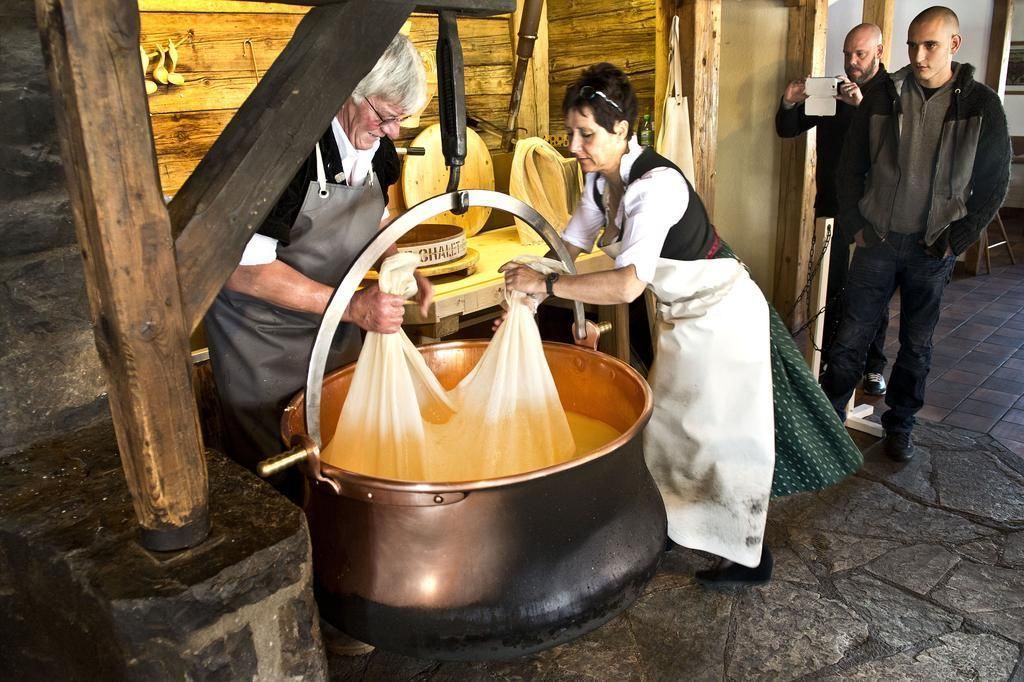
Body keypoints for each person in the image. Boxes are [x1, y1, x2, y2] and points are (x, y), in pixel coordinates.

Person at [501, 63, 863, 587]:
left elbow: (626, 284)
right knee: (669, 429)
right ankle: (676, 525)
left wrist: (549, 287)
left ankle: (749, 557)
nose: (576, 146)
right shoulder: (601, 184)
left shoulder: (656, 187)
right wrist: (530, 279)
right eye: (572, 133)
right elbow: (568, 247)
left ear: (622, 128)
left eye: (587, 134)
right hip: (684, 315)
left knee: (721, 439)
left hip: (723, 316)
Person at [205, 34, 431, 482]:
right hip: (262, 345)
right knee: (280, 469)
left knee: (337, 457)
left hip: (333, 331)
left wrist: (403, 262)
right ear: (350, 89)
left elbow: (377, 217)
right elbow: (244, 274)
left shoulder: (378, 148)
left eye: (400, 119)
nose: (393, 132)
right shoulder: (288, 153)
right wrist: (352, 306)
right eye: (385, 116)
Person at [823, 6, 1011, 461]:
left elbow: (994, 182)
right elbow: (850, 168)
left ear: (954, 44)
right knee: (851, 335)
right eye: (912, 45)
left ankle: (901, 425)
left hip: (932, 246)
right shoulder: (884, 95)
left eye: (930, 45)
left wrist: (954, 241)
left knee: (917, 344)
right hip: (879, 241)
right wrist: (857, 226)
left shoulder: (981, 105)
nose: (919, 55)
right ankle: (827, 422)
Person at [776, 23, 890, 396]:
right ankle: (833, 361)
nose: (852, 62)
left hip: (877, 210)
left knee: (873, 289)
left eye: (860, 54)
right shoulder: (833, 93)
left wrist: (862, 108)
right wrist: (791, 99)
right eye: (847, 54)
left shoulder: (892, 94)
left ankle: (873, 365)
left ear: (879, 52)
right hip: (835, 204)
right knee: (835, 284)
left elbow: (890, 148)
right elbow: (788, 128)